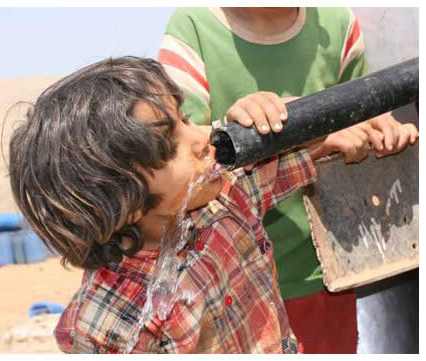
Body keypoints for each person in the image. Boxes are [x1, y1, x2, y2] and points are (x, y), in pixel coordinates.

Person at [8, 56, 347, 353]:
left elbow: (314, 134)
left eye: (184, 119)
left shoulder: (226, 200)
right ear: (120, 202)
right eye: (169, 148)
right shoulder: (113, 321)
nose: (201, 138)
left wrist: (268, 116)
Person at [158, 7, 418, 353]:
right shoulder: (192, 28)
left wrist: (379, 130)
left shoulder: (339, 25)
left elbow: (361, 121)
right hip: (230, 283)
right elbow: (179, 160)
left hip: (327, 273)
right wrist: (297, 136)